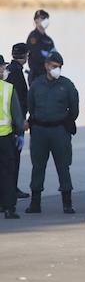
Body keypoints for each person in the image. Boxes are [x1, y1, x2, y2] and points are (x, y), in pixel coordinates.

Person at [25, 50, 78, 215]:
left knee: (63, 167)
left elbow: (74, 110)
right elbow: (31, 106)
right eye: (54, 66)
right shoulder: (36, 84)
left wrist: (65, 121)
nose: (57, 69)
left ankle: (67, 203)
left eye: (59, 67)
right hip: (40, 131)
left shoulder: (67, 85)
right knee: (38, 167)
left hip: (59, 131)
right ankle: (35, 203)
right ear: (47, 66)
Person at [0, 55, 25, 219]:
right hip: (5, 137)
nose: (4, 70)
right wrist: (20, 133)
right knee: (8, 173)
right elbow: (17, 115)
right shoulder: (8, 88)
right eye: (2, 67)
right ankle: (8, 208)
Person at [7, 43, 29, 200]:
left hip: (7, 122)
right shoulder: (17, 74)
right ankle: (11, 189)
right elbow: (19, 101)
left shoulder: (9, 71)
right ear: (26, 55)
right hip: (14, 124)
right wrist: (21, 123)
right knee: (13, 159)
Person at [26, 9, 55, 84]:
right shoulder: (33, 37)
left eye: (46, 18)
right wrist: (48, 56)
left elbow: (55, 56)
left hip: (48, 75)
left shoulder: (48, 40)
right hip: (36, 75)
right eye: (42, 18)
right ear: (36, 20)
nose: (45, 20)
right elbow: (36, 54)